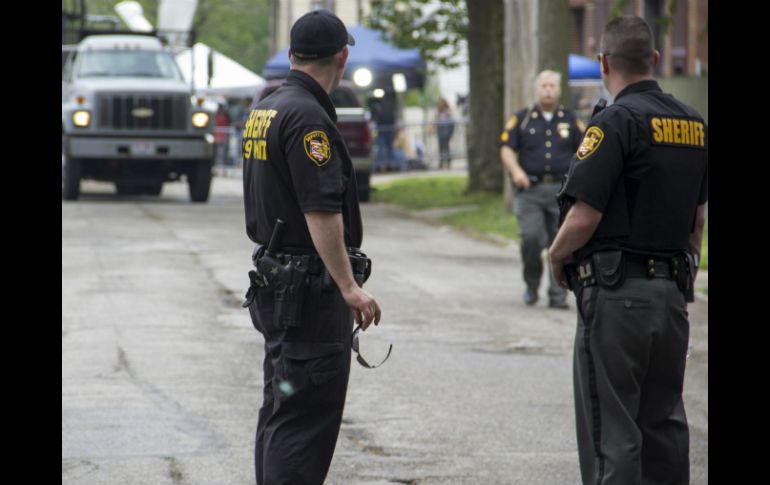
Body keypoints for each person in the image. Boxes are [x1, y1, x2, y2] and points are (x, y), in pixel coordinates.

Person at [549, 15, 707, 485]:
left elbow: (584, 216)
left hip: (617, 298)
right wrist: (684, 276)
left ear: (604, 64)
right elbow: (698, 220)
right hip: (671, 298)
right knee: (665, 428)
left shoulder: (614, 122)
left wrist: (555, 256)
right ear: (654, 59)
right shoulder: (694, 124)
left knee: (612, 436)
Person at [241, 9, 381, 485]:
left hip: (278, 282)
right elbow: (320, 210)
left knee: (281, 411)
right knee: (303, 423)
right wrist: (348, 286)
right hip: (307, 294)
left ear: (291, 54)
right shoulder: (308, 118)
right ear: (342, 57)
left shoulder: (268, 107)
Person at [499, 70, 585, 309]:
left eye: (552, 86)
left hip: (561, 192)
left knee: (560, 242)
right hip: (531, 190)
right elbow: (506, 148)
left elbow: (585, 151)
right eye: (544, 86)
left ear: (559, 90)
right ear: (536, 90)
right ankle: (531, 284)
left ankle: (558, 294)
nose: (548, 90)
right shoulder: (523, 118)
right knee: (531, 238)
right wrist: (516, 172)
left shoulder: (570, 119)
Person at [435, 98, 455, 169]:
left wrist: (450, 133)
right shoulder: (438, 113)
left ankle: (448, 162)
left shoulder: (448, 112)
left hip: (446, 133)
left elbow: (451, 123)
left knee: (446, 148)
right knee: (441, 148)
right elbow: (436, 122)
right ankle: (441, 163)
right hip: (440, 133)